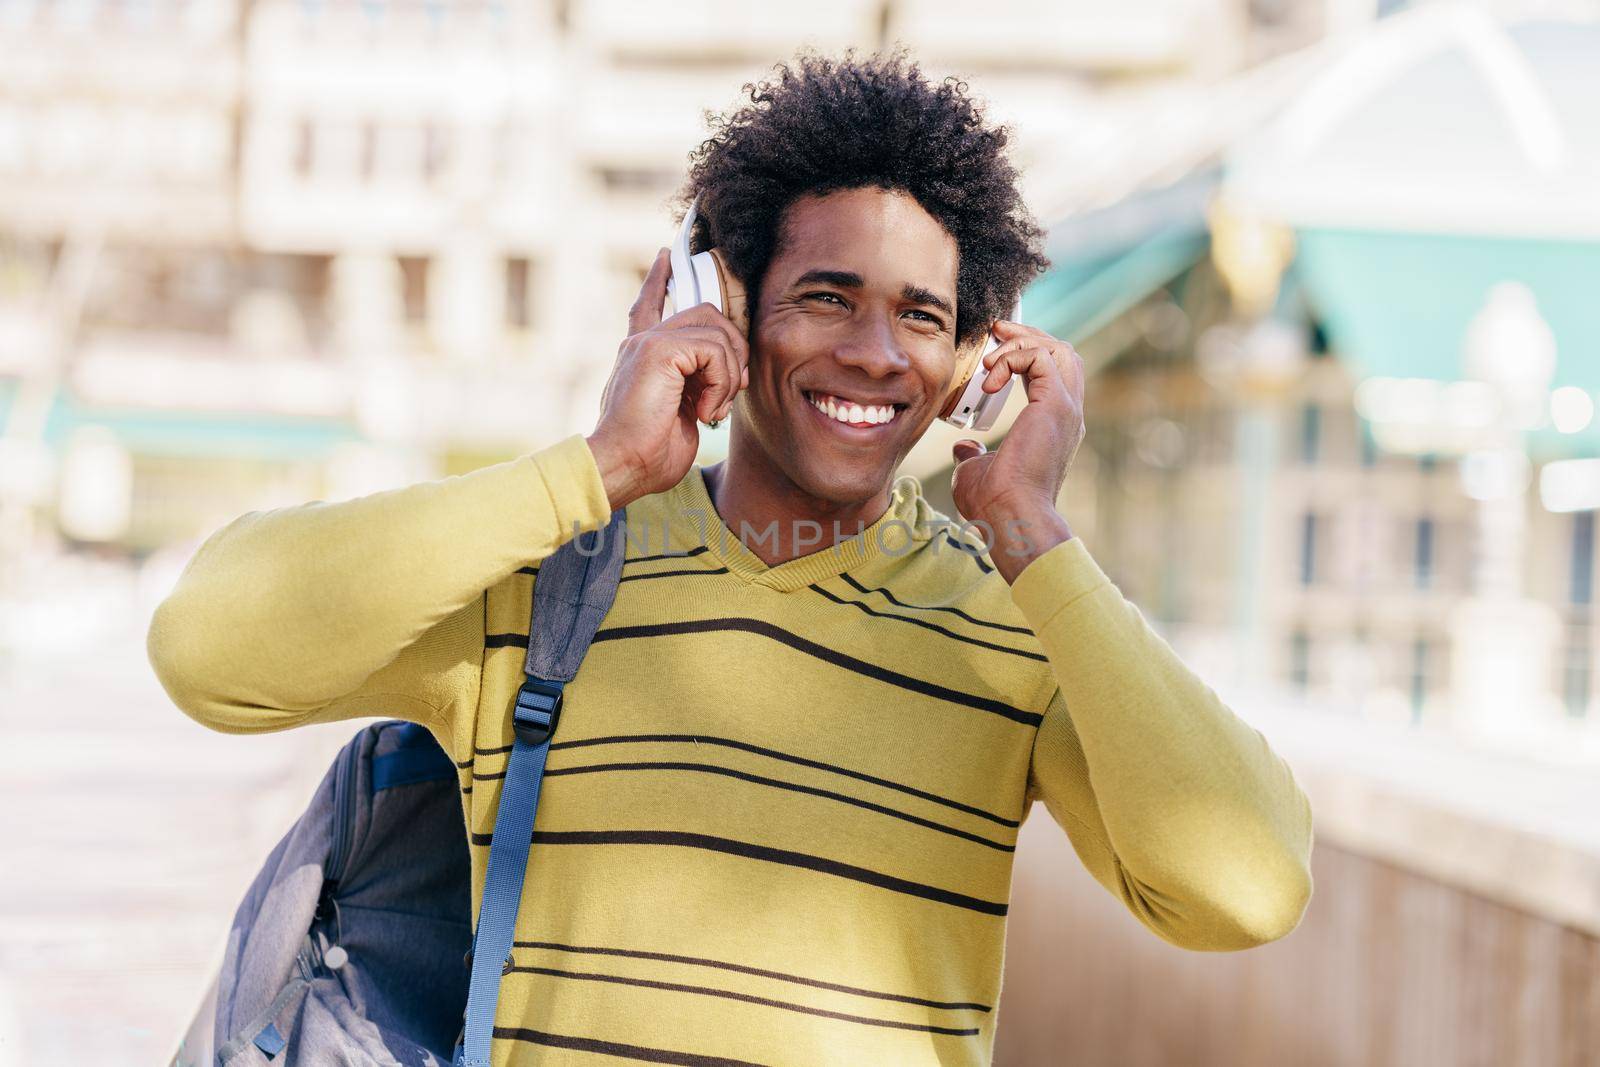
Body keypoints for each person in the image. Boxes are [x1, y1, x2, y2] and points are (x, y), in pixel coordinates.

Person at [148, 48, 1312, 1067]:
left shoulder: (1020, 627)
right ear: (724, 303)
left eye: (918, 315)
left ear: (969, 358)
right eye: (825, 296)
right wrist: (597, 464)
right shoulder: (549, 568)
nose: (871, 352)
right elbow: (207, 649)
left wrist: (1031, 532)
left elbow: (1246, 889)